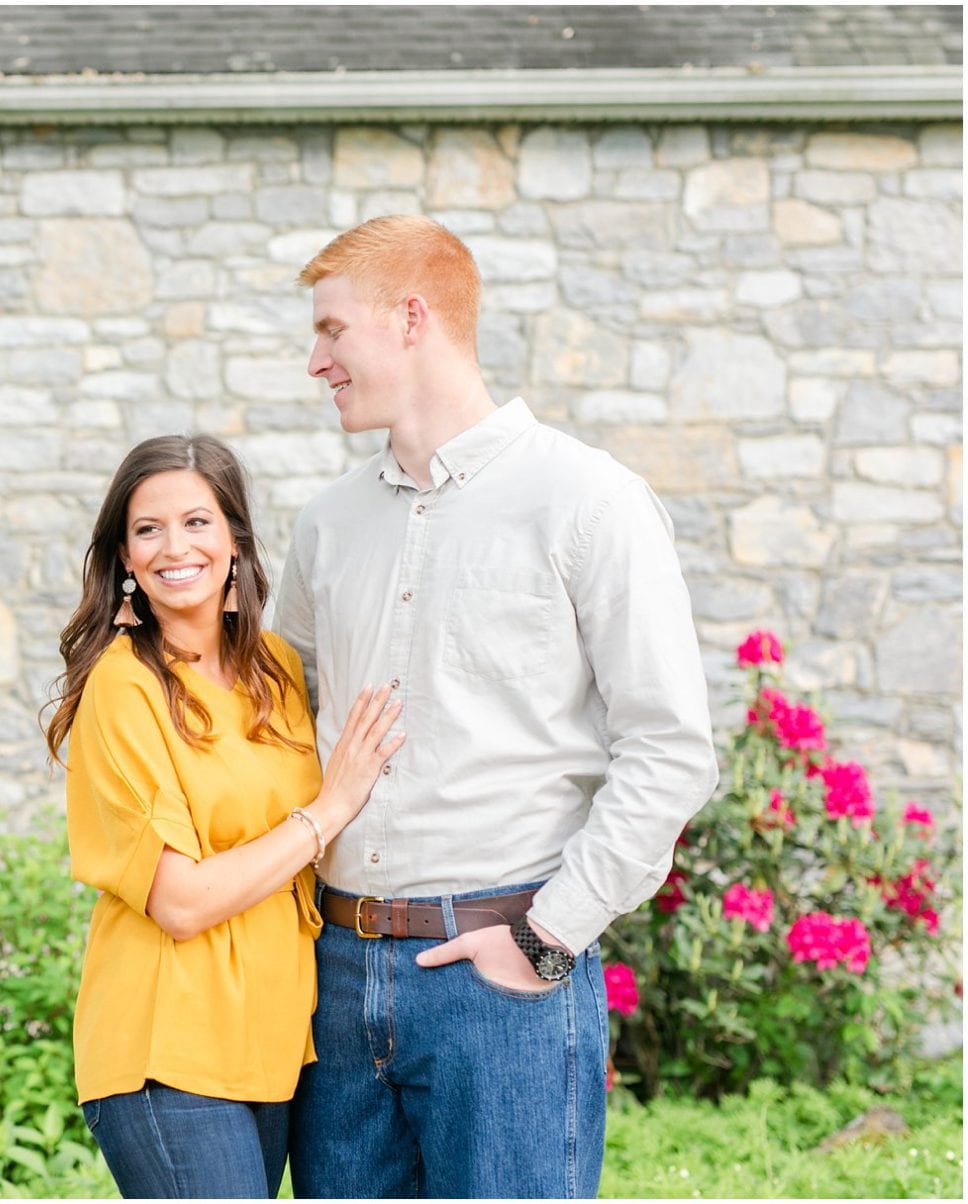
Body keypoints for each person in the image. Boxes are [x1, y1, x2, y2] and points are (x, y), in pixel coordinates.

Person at [273, 215, 720, 1199]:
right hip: (335, 978)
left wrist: (546, 937)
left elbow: (672, 750)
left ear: (411, 317)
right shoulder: (327, 525)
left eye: (332, 331)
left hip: (499, 981)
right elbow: (273, 722)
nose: (316, 361)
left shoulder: (587, 501)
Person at [44, 434, 406, 1199]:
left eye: (197, 522)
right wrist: (327, 811)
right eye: (148, 530)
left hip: (271, 1043)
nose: (175, 547)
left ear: (236, 539)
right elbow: (179, 901)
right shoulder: (124, 687)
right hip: (165, 1042)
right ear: (125, 558)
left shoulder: (274, 667)